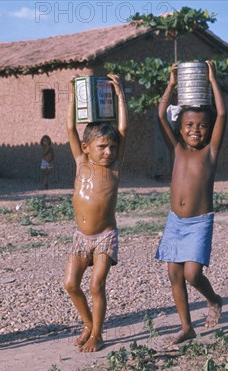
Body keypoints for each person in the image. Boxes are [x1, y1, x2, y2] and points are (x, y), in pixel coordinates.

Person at [155, 61, 224, 345]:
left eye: (202, 126)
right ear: (180, 128)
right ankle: (187, 326)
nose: (196, 130)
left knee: (193, 274)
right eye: (189, 125)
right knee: (174, 273)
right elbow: (160, 114)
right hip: (175, 221)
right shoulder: (177, 149)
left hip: (199, 222)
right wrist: (171, 83)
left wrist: (211, 80)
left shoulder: (210, 152)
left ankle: (214, 299)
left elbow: (222, 112)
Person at [63, 74, 127, 352]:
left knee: (96, 285)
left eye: (112, 147)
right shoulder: (81, 162)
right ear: (87, 148)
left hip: (104, 236)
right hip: (81, 238)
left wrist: (120, 95)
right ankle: (89, 323)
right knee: (70, 284)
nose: (109, 151)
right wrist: (73, 98)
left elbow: (123, 129)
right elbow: (69, 127)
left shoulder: (113, 169)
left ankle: (97, 334)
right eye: (102, 147)